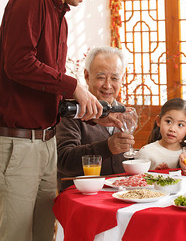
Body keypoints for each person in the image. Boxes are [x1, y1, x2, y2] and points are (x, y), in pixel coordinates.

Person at [0, 0, 120, 240]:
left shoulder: (60, 17)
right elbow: (18, 64)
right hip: (16, 143)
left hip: (45, 142)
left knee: (45, 233)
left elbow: (44, 86)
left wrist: (92, 115)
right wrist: (75, 86)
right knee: (18, 235)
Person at [57, 46, 135, 191]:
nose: (108, 85)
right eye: (101, 77)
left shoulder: (124, 114)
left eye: (114, 78)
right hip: (81, 199)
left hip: (120, 197)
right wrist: (107, 147)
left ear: (122, 79)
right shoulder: (73, 112)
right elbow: (63, 161)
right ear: (87, 76)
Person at [138, 98, 186, 170]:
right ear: (158, 121)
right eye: (168, 121)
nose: (172, 129)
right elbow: (136, 178)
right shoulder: (146, 152)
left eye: (180, 125)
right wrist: (157, 175)